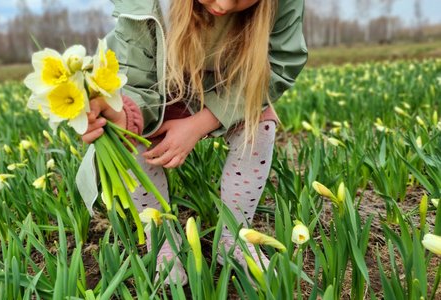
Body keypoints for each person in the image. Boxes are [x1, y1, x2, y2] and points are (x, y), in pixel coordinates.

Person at [79, 0, 307, 286]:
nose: (223, 5)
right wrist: (122, 116)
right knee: (128, 138)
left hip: (229, 89)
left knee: (259, 124)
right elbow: (136, 84)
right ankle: (161, 238)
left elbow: (279, 65)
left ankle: (235, 236)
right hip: (158, 91)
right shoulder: (147, 5)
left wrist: (199, 125)